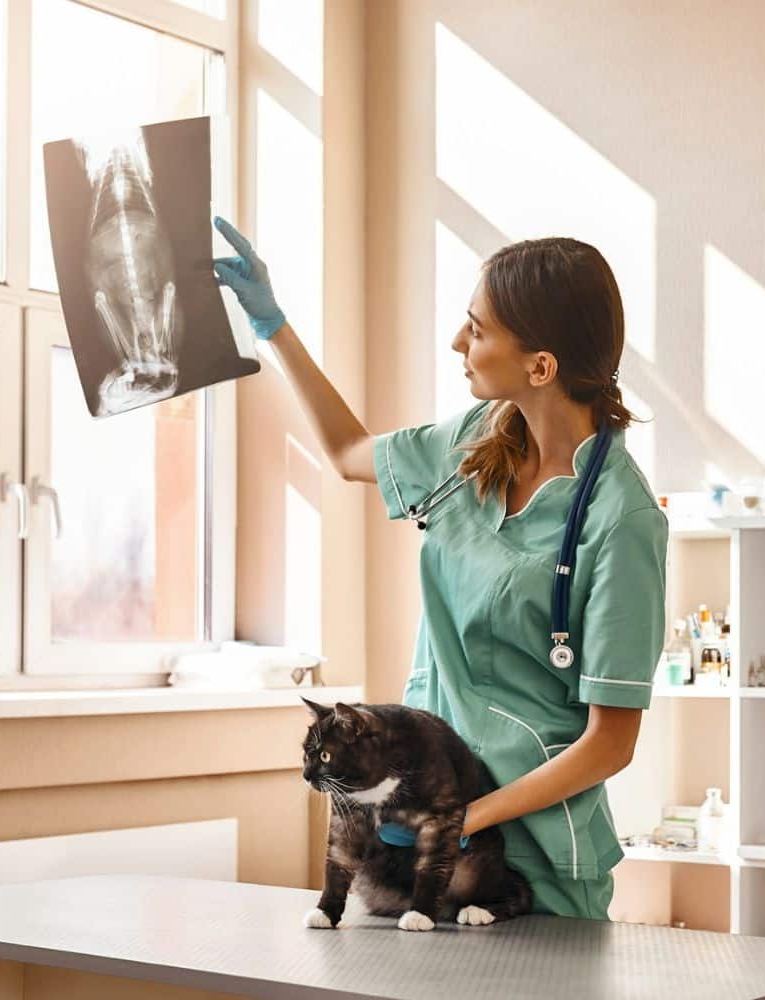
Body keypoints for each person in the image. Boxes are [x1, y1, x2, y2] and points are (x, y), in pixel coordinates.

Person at [211, 216, 669, 922]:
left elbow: (610, 743)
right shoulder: (472, 443)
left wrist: (467, 818)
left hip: (531, 858)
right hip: (421, 836)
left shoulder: (621, 518)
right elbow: (348, 452)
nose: (459, 342)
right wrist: (272, 326)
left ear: (540, 367)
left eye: (477, 330)